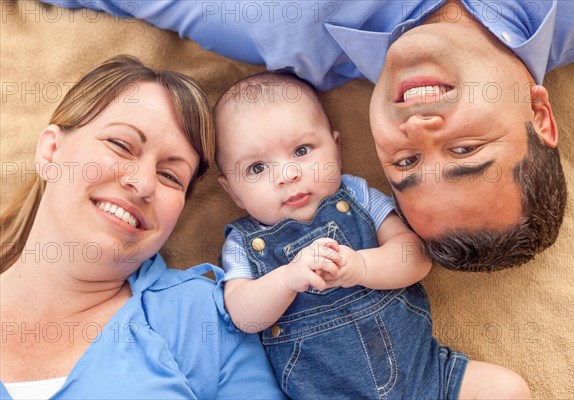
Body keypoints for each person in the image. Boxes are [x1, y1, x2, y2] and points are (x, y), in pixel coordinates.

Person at [40, 0, 574, 271]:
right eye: (464, 150)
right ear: (540, 117)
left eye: (403, 163)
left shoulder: (283, 32)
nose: (418, 130)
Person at [214, 72, 530, 399]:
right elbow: (242, 315)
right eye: (256, 168)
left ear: (335, 148)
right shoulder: (244, 242)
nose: (287, 175)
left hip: (426, 378)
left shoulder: (358, 197)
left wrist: (361, 267)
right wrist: (286, 280)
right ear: (232, 191)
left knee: (506, 389)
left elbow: (415, 257)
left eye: (302, 151)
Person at [0, 55, 285, 399]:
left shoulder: (208, 320)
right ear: (51, 151)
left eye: (170, 176)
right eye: (121, 146)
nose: (143, 183)